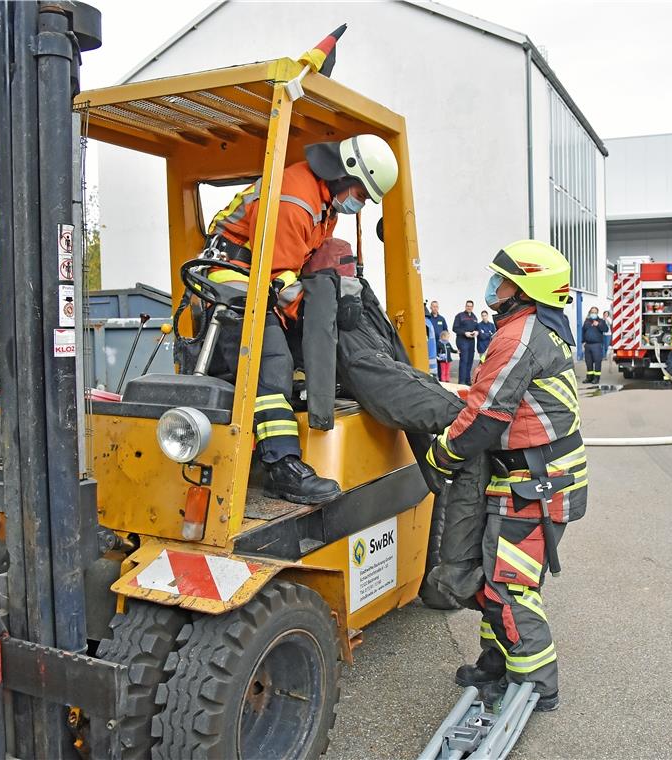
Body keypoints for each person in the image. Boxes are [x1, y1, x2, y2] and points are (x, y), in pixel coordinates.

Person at [427, 240, 586, 714]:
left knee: (509, 586)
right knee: (493, 572)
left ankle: (536, 682)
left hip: (535, 483)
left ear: (525, 290)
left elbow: (487, 417)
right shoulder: (536, 328)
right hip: (525, 476)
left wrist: (441, 454)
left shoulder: (519, 336)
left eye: (503, 280)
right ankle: (496, 662)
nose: (493, 287)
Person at [201, 133, 398, 503]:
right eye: (360, 193)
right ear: (345, 174)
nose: (360, 203)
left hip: (258, 277)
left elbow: (303, 263)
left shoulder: (324, 204)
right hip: (229, 274)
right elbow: (281, 279)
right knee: (272, 357)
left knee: (298, 350)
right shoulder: (296, 199)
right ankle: (283, 467)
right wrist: (315, 314)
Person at [580, 306, 610, 384]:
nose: (593, 314)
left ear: (597, 313)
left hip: (597, 345)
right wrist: (583, 342)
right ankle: (589, 378)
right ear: (590, 313)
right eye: (592, 312)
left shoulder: (601, 321)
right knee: (588, 362)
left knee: (597, 362)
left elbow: (606, 329)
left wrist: (598, 325)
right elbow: (583, 331)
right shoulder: (587, 321)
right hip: (588, 345)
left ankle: (596, 378)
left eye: (595, 312)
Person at [453, 300, 480, 384]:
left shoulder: (474, 317)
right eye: (468, 306)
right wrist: (465, 333)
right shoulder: (460, 316)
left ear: (472, 307)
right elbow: (455, 328)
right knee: (464, 360)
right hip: (462, 340)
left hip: (471, 341)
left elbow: (477, 327)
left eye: (471, 306)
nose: (469, 307)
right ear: (465, 306)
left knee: (470, 360)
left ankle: (467, 380)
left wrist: (476, 332)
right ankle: (461, 381)